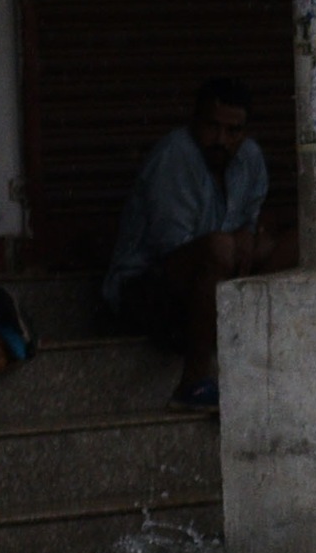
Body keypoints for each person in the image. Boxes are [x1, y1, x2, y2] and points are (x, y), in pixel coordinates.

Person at [106, 76, 275, 408]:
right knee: (218, 250)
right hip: (146, 292)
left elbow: (251, 227)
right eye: (212, 127)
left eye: (233, 131)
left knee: (288, 245)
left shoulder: (250, 158)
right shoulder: (176, 155)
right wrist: (234, 243)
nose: (221, 140)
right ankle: (194, 381)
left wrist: (250, 238)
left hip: (214, 286)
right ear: (195, 122)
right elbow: (174, 248)